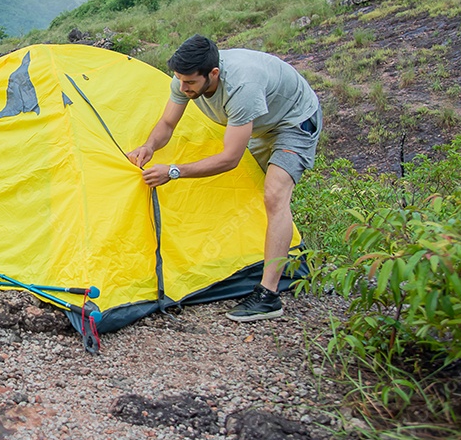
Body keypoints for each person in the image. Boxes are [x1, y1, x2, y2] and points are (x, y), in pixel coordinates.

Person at [126, 35, 321, 322]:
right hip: (258, 126)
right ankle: (265, 258)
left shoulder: (242, 86)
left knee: (275, 194)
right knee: (252, 191)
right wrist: (149, 146)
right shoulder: (185, 79)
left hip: (294, 122)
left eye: (190, 83)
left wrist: (174, 171)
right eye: (179, 80)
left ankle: (268, 295)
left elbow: (230, 159)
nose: (183, 88)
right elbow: (168, 123)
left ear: (213, 74)